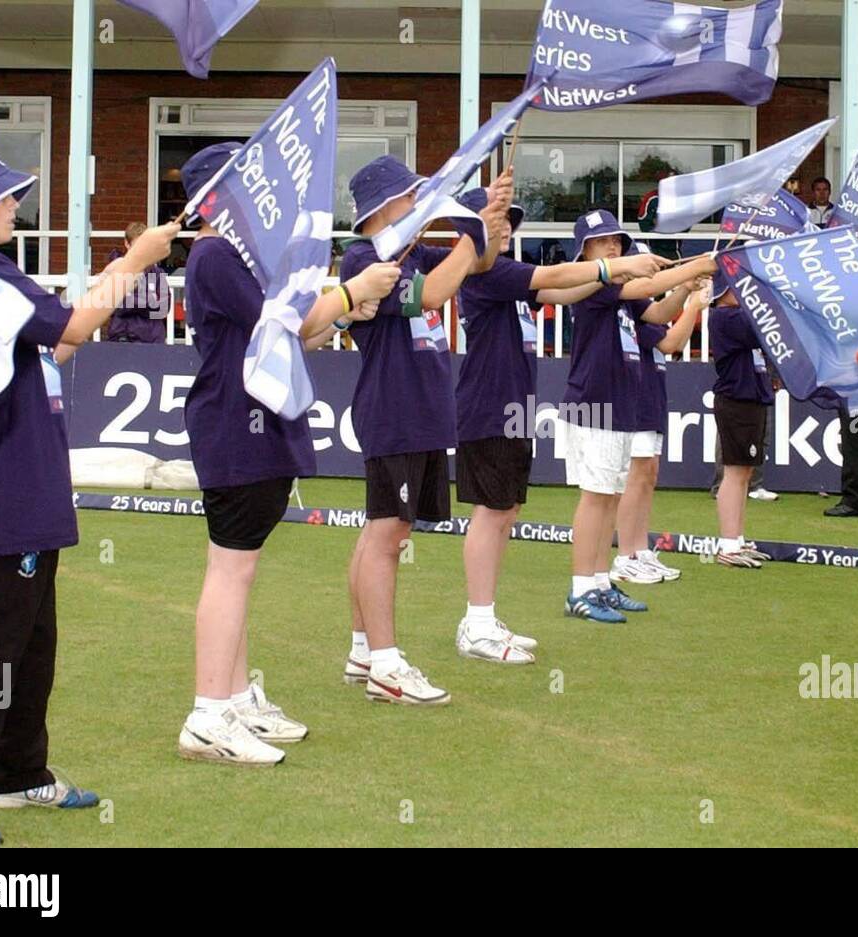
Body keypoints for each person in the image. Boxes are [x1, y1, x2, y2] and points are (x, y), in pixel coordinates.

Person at [0, 157, 179, 845]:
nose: (16, 206)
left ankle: (15, 770)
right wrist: (135, 259)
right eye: (6, 197)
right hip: (1, 487)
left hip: (23, 485)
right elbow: (76, 324)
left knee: (31, 642)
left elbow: (51, 344)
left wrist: (113, 282)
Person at [174, 143, 401, 764]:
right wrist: (351, 292)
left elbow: (299, 331)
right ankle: (209, 712)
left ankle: (234, 697)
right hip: (234, 426)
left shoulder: (238, 255)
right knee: (231, 568)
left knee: (238, 567)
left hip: (257, 425)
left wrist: (344, 310)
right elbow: (288, 326)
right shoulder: (217, 254)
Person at [452, 190, 667, 662]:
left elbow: (563, 289)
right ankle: (477, 622)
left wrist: (617, 272)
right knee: (491, 513)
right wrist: (614, 269)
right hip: (489, 407)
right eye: (496, 220)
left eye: (510, 221)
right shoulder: (487, 273)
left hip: (511, 409)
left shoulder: (506, 277)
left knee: (504, 512)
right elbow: (555, 275)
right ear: (471, 230)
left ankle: (485, 617)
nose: (507, 227)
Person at [339, 156, 509, 705]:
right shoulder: (363, 260)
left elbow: (478, 265)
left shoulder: (408, 253)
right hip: (395, 412)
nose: (419, 205)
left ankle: (366, 650)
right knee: (387, 535)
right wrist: (468, 236)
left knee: (383, 532)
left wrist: (491, 213)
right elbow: (430, 295)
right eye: (412, 197)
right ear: (387, 205)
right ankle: (385, 664)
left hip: (420, 413)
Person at [557, 210, 716, 622]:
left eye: (617, 240)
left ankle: (599, 582)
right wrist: (696, 265)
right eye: (602, 240)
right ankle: (580, 589)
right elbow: (649, 287)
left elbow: (660, 317)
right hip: (594, 403)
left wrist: (684, 287)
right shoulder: (591, 281)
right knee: (596, 497)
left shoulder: (623, 295)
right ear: (584, 250)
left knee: (609, 496)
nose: (613, 246)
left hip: (617, 405)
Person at [612, 249, 705, 585]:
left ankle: (641, 550)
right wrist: (692, 305)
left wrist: (684, 289)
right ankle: (625, 555)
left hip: (652, 394)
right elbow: (670, 343)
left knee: (648, 474)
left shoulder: (645, 307)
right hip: (636, 397)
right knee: (635, 477)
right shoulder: (630, 307)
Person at [707, 283, 776, 568]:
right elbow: (763, 328)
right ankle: (729, 543)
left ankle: (737, 538)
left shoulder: (736, 316)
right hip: (737, 399)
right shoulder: (726, 317)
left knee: (744, 472)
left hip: (750, 396)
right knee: (734, 473)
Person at [105, 222, 171, 343]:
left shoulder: (157, 273)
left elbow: (163, 308)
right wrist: (148, 301)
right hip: (121, 338)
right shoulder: (115, 270)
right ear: (127, 243)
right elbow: (113, 306)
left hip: (152, 340)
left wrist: (130, 300)